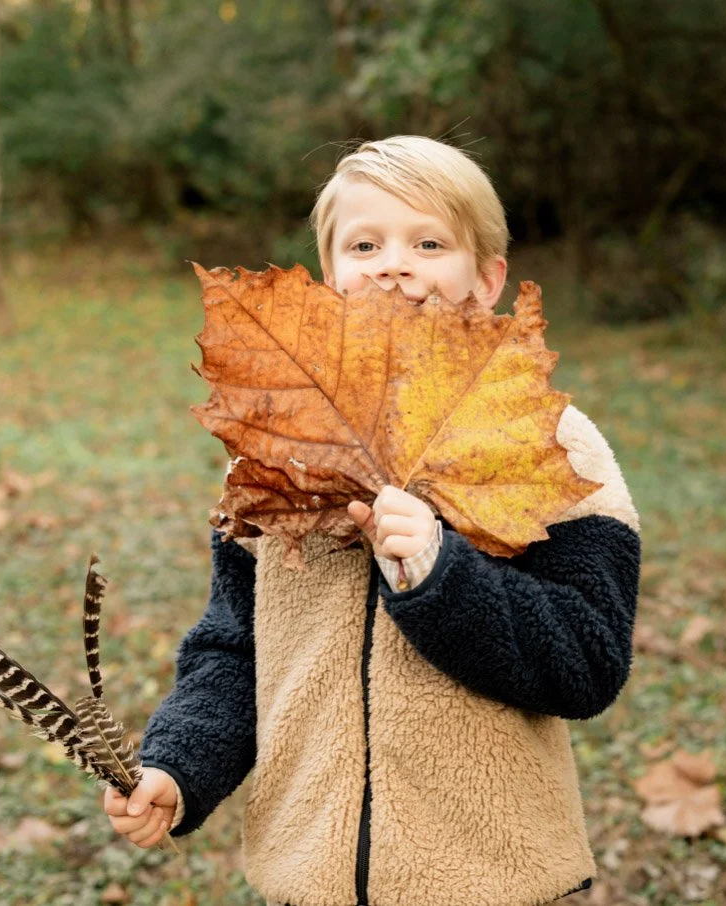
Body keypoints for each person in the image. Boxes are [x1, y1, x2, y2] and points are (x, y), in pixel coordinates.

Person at [99, 136, 644, 906]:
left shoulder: (551, 445)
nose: (393, 263)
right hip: (307, 876)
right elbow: (234, 649)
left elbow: (586, 661)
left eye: (428, 241)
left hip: (492, 879)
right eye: (364, 244)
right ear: (329, 275)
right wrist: (178, 767)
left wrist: (439, 573)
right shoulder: (273, 452)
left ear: (487, 278)